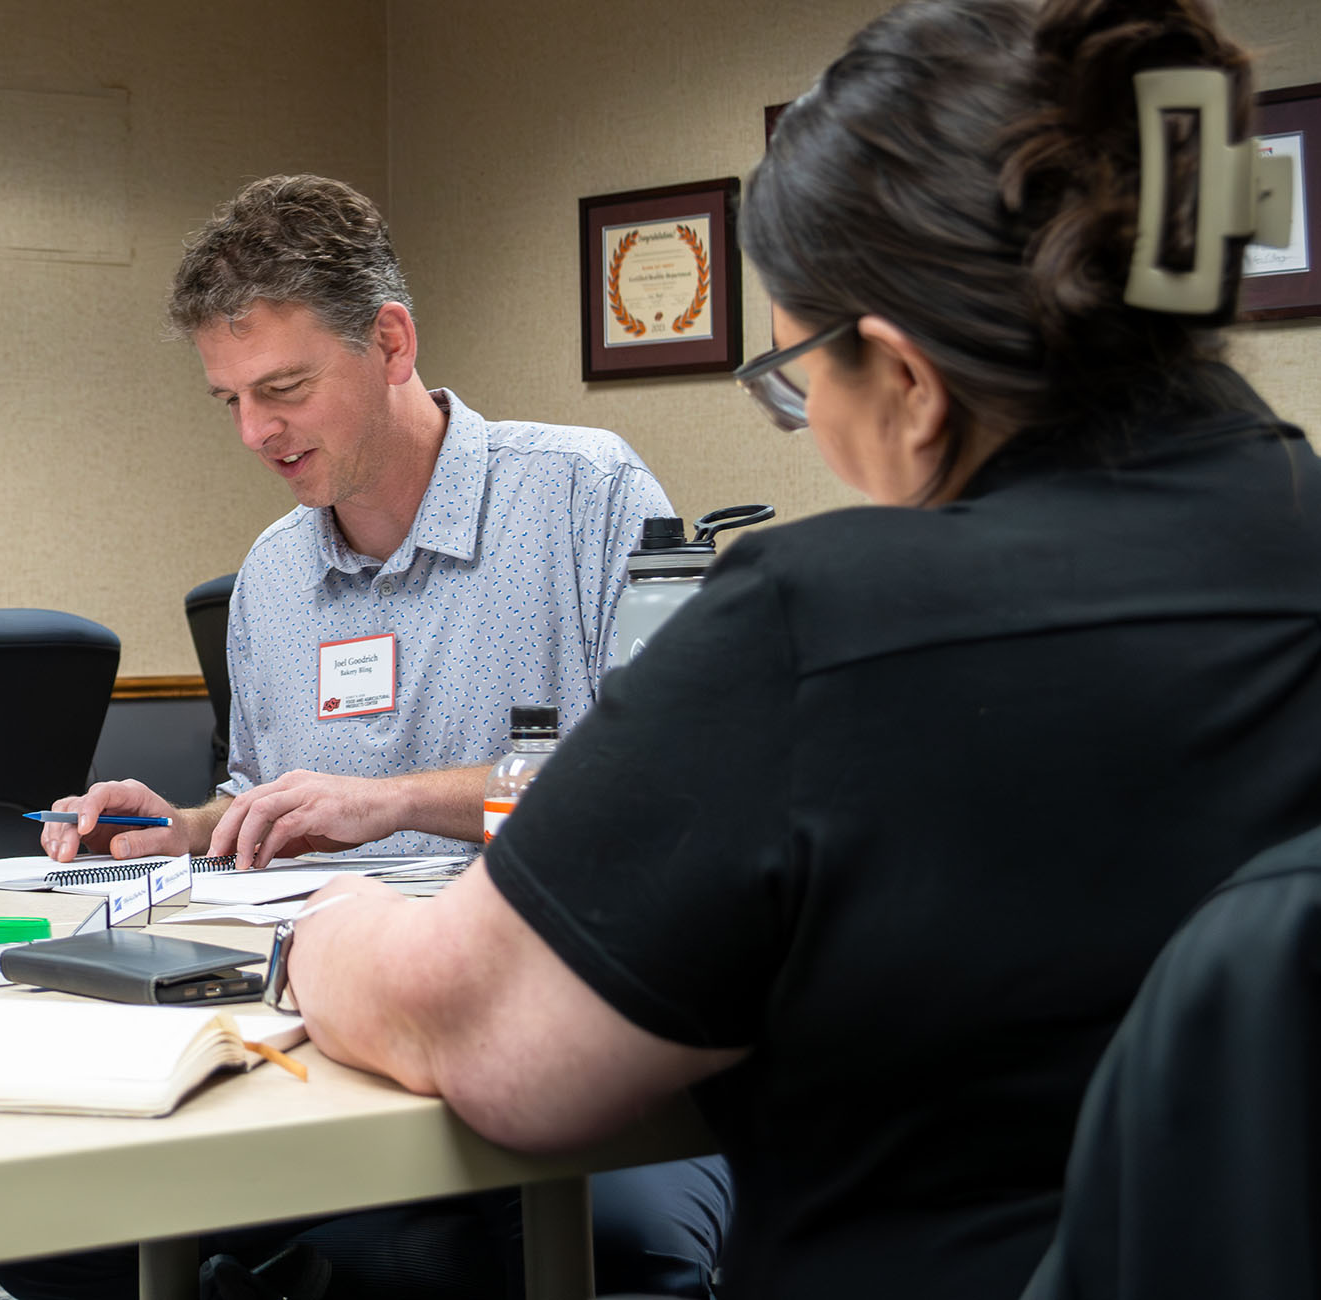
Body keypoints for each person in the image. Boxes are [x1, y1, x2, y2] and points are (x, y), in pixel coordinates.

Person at [279, 2, 1315, 1298]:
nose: (806, 422)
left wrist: (331, 929)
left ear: (906, 378)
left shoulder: (825, 627)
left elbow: (480, 1033)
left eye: (793, 382)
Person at [1, 177, 725, 1297]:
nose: (255, 433)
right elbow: (271, 806)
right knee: (52, 1226)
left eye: (283, 388)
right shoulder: (274, 575)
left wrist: (392, 800)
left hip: (539, 1009)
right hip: (312, 1023)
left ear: (390, 343)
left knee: (572, 1246)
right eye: (228, 400)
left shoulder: (583, 495)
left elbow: (666, 800)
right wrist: (187, 827)